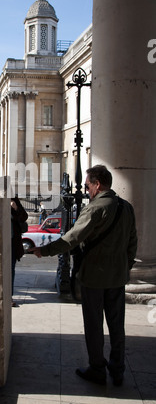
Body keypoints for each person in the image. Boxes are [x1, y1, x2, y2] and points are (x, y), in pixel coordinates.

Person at [31, 165, 137, 386]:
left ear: (97, 185)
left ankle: (98, 369)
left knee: (94, 324)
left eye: (88, 185)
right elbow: (132, 242)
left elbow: (72, 238)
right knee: (117, 326)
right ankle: (117, 369)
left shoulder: (94, 209)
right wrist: (125, 266)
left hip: (94, 277)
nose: (87, 190)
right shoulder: (126, 207)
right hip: (117, 277)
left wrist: (45, 250)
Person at [11, 197, 28, 307]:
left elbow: (24, 216)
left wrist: (16, 208)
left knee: (10, 269)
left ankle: (8, 296)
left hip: (12, 241)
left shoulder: (13, 200)